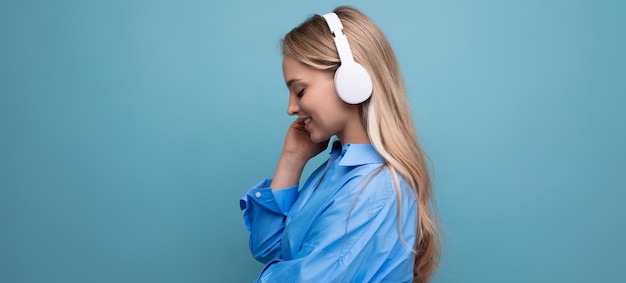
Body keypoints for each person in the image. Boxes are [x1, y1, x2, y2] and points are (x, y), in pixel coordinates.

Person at [239, 6, 440, 283]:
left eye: (300, 90)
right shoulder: (335, 171)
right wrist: (292, 159)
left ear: (351, 80)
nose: (291, 107)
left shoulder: (374, 189)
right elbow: (268, 247)